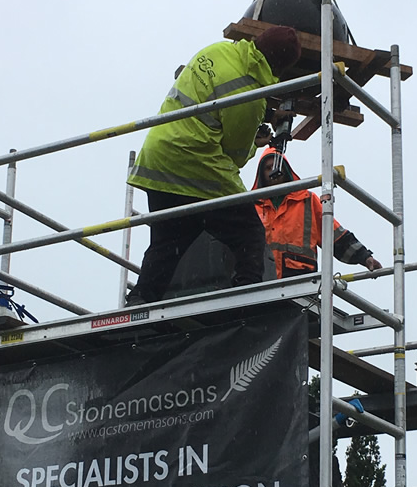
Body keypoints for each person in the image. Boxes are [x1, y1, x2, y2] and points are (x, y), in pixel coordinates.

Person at [125, 26, 302, 305]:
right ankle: (245, 300)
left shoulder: (219, 51)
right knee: (249, 235)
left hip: (159, 158)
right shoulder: (250, 100)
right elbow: (234, 155)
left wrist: (265, 113)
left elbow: (218, 97)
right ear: (279, 67)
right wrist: (255, 142)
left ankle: (139, 301)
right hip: (196, 165)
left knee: (167, 243)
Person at [252, 147, 383, 278]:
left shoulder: (307, 201)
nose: (273, 172)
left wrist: (365, 258)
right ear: (261, 174)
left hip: (300, 281)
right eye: (268, 168)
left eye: (277, 167)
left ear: (286, 169)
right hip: (262, 281)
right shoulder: (253, 207)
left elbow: (335, 236)